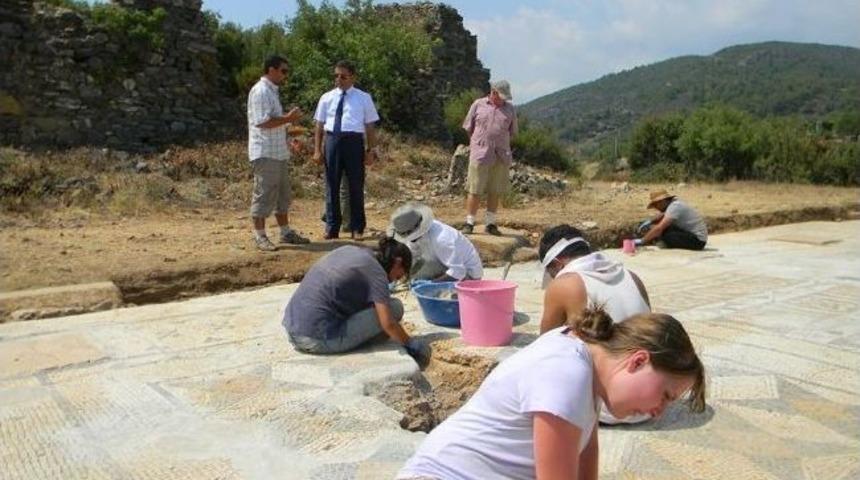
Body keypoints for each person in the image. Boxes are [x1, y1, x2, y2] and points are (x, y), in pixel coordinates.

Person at [397, 306, 706, 480]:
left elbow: (585, 450)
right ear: (638, 360)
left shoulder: (590, 361)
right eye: (665, 395)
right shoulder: (566, 374)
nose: (659, 411)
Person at [538, 224, 652, 424]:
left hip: (607, 409)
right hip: (650, 401)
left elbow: (544, 347)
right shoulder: (632, 276)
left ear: (557, 263)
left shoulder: (565, 284)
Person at [282, 238, 428, 360]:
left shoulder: (350, 250)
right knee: (395, 308)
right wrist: (409, 343)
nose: (396, 280)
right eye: (399, 275)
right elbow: (388, 324)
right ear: (397, 262)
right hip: (316, 339)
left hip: (292, 328)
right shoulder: (377, 274)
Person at [246, 55, 311, 251]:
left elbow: (274, 122)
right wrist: (287, 118)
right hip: (265, 152)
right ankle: (260, 236)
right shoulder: (261, 91)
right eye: (283, 71)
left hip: (279, 152)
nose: (285, 75)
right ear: (271, 70)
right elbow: (262, 121)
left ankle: (285, 232)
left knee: (283, 196)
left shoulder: (272, 92)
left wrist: (291, 133)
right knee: (264, 194)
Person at [313, 60, 380, 241]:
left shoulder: (363, 98)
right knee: (331, 186)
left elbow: (370, 127)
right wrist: (317, 150)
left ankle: (357, 227)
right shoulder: (326, 97)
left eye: (343, 76)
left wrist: (371, 150)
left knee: (355, 186)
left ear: (353, 77)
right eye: (336, 76)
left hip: (353, 143)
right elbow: (319, 125)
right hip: (332, 141)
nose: (338, 79)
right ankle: (332, 227)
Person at [461, 80, 518, 236]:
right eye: (501, 96)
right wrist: (477, 144)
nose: (504, 100)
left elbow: (512, 132)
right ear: (493, 92)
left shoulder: (510, 109)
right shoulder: (478, 104)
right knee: (475, 189)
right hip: (480, 154)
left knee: (495, 190)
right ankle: (469, 223)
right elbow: (468, 128)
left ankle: (490, 224)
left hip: (501, 156)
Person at [389, 202, 483, 282]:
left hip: (469, 277)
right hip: (443, 264)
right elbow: (412, 255)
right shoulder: (417, 234)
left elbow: (458, 272)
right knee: (415, 268)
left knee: (424, 273)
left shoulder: (442, 239)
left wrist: (433, 283)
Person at [635, 189, 708, 250]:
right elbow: (662, 215)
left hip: (698, 241)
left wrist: (642, 241)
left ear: (662, 201)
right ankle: (655, 240)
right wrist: (650, 221)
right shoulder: (673, 204)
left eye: (656, 204)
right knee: (656, 227)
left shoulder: (674, 207)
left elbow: (659, 228)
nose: (656, 208)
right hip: (693, 237)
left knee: (664, 233)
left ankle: (662, 242)